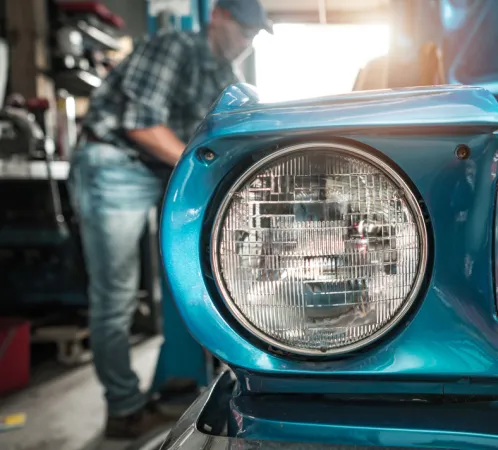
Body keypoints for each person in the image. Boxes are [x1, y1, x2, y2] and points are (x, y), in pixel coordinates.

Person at [67, 0, 269, 440]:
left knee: (191, 278)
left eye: (255, 34)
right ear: (217, 16)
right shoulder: (174, 46)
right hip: (114, 165)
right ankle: (123, 410)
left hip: (160, 172)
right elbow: (141, 126)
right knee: (117, 294)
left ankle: (178, 385)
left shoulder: (225, 79)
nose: (247, 40)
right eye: (244, 28)